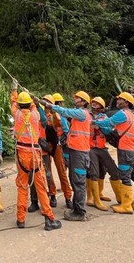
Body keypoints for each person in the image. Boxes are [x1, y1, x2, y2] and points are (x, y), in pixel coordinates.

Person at [10, 82, 62, 231]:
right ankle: (49, 219)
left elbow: (14, 103)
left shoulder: (17, 114)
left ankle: (21, 219)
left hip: (22, 155)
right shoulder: (35, 115)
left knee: (22, 186)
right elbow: (33, 107)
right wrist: (30, 97)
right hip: (34, 154)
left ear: (20, 104)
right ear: (30, 104)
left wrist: (14, 89)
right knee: (41, 186)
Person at [46, 91, 92, 221]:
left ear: (84, 102)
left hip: (80, 152)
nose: (75, 99)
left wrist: (50, 105)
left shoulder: (82, 113)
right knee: (74, 180)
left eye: (77, 98)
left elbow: (65, 112)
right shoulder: (80, 115)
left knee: (78, 182)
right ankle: (76, 209)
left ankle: (79, 212)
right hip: (76, 151)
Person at [94, 92, 134, 214]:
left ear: (126, 102)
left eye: (120, 99)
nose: (118, 101)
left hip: (125, 150)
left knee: (124, 177)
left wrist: (94, 122)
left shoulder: (122, 114)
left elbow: (108, 123)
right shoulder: (133, 116)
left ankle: (126, 205)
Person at [86, 95, 119, 210]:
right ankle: (92, 198)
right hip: (90, 147)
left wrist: (99, 126)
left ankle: (100, 193)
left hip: (101, 147)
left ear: (101, 107)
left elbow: (108, 130)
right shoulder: (87, 115)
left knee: (109, 170)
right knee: (93, 172)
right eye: (93, 103)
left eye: (97, 104)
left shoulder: (104, 117)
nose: (94, 105)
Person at [46, 93, 74, 209]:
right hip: (46, 146)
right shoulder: (40, 116)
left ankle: (68, 197)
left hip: (57, 145)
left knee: (62, 172)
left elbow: (64, 129)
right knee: (48, 173)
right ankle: (52, 195)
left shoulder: (57, 116)